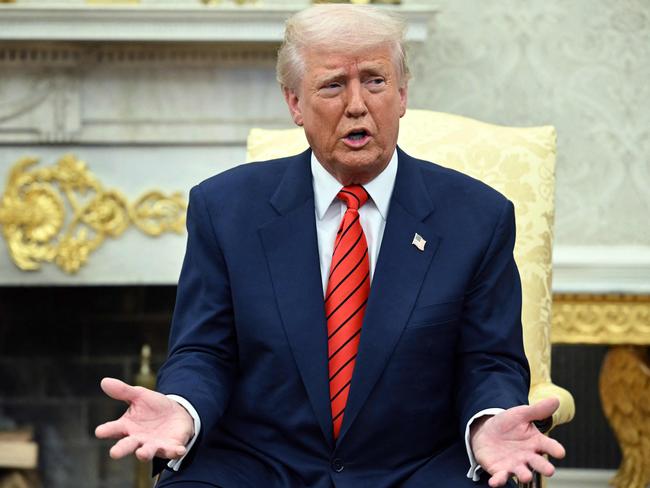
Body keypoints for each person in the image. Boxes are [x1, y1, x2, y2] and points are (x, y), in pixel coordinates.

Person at [95, 5, 565, 488]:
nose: (357, 104)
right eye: (334, 85)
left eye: (376, 82)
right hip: (261, 464)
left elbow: (489, 359)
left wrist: (488, 422)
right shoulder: (224, 209)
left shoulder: (477, 217)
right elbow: (204, 351)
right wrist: (183, 410)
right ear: (294, 102)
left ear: (402, 94)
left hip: (414, 466)